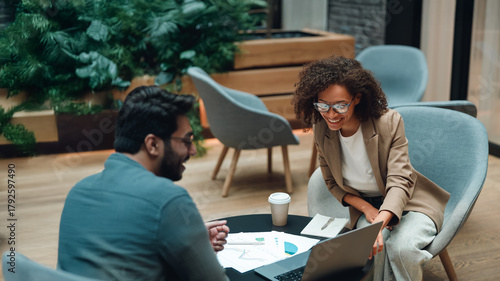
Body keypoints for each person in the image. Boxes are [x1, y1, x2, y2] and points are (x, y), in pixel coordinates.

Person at [292, 56, 450, 281]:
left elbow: (399, 180)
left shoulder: (389, 122)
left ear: (357, 98)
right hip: (369, 205)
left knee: (402, 249)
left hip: (412, 203)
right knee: (375, 249)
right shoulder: (321, 127)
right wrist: (366, 208)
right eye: (323, 104)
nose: (331, 113)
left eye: (340, 105)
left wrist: (379, 223)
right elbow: (331, 183)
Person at [58, 86, 230, 281]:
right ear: (153, 145)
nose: (193, 151)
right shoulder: (167, 200)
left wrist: (187, 239)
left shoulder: (78, 192)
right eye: (186, 141)